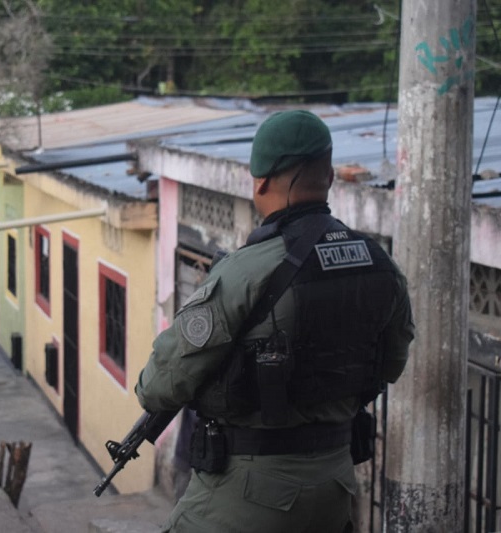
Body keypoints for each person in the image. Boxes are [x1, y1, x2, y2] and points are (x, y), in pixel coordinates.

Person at [135, 110, 414, 533]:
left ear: (260, 181)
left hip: (247, 495)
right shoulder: (381, 266)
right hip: (336, 487)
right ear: (331, 176)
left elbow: (158, 387)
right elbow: (391, 366)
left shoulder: (244, 273)